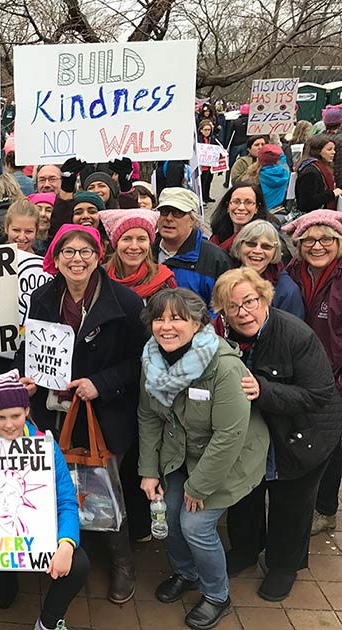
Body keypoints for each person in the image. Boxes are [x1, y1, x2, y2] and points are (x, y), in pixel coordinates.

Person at [16, 223, 147, 604]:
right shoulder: (42, 297)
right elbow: (31, 348)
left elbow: (141, 361)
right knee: (58, 487)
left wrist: (101, 384)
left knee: (104, 488)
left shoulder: (125, 302)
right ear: (55, 258)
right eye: (68, 252)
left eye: (85, 252)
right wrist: (29, 379)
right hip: (53, 410)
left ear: (99, 256)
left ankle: (123, 562)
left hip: (102, 413)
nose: (77, 259)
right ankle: (70, 554)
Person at [138, 288, 268, 630]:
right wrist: (149, 470)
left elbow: (229, 436)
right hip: (182, 453)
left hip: (231, 458)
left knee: (195, 525)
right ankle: (187, 573)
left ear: (197, 324)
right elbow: (148, 416)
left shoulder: (225, 368)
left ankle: (216, 595)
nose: (167, 326)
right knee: (170, 511)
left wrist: (199, 487)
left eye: (178, 318)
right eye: (159, 318)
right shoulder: (150, 360)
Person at [211, 269, 342, 601]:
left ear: (264, 298)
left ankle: (284, 565)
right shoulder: (219, 334)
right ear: (222, 311)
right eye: (232, 306)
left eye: (250, 301)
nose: (243, 312)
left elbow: (319, 394)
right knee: (244, 494)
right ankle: (244, 550)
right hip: (254, 431)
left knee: (291, 502)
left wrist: (263, 390)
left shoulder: (295, 334)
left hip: (304, 433)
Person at [0, 371, 89, 630]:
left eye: (16, 415)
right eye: (1, 417)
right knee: (4, 599)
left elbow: (67, 500)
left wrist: (66, 543)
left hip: (37, 533)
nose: (9, 424)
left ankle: (48, 623)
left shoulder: (44, 444)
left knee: (78, 563)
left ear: (27, 410)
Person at [281, 211, 342, 537]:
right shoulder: (294, 271)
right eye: (309, 240)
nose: (318, 246)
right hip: (302, 373)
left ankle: (326, 509)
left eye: (326, 239)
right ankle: (307, 502)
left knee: (333, 446)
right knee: (308, 439)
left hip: (335, 378)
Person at [153, 188, 232, 309]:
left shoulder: (215, 259)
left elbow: (224, 307)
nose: (169, 218)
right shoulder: (144, 252)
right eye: (164, 211)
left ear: (192, 219)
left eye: (177, 212)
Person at [229, 220, 303, 318]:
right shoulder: (225, 274)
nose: (257, 251)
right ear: (239, 245)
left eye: (266, 246)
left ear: (275, 252)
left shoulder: (287, 291)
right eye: (251, 244)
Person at [100, 209, 176, 301]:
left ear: (149, 243)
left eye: (141, 239)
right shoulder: (100, 278)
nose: (134, 246)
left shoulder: (163, 281)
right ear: (116, 243)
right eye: (127, 239)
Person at [209, 182, 278, 255]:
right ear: (227, 206)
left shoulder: (267, 238)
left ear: (257, 208)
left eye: (248, 202)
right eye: (236, 202)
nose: (241, 208)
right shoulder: (217, 235)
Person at [295, 134, 342, 213]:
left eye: (334, 149)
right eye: (329, 149)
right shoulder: (311, 172)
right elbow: (307, 203)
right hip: (311, 218)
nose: (333, 152)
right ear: (318, 151)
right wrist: (332, 194)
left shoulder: (322, 168)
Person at [246, 144, 290, 212]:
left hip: (260, 211)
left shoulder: (257, 176)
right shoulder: (285, 173)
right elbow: (283, 161)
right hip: (278, 211)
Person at [198, 119, 217, 203]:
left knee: (209, 181)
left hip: (210, 164)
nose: (207, 132)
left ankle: (207, 196)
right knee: (202, 183)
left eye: (209, 130)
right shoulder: (198, 139)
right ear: (201, 130)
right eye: (205, 130)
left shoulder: (212, 139)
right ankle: (202, 198)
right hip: (202, 165)